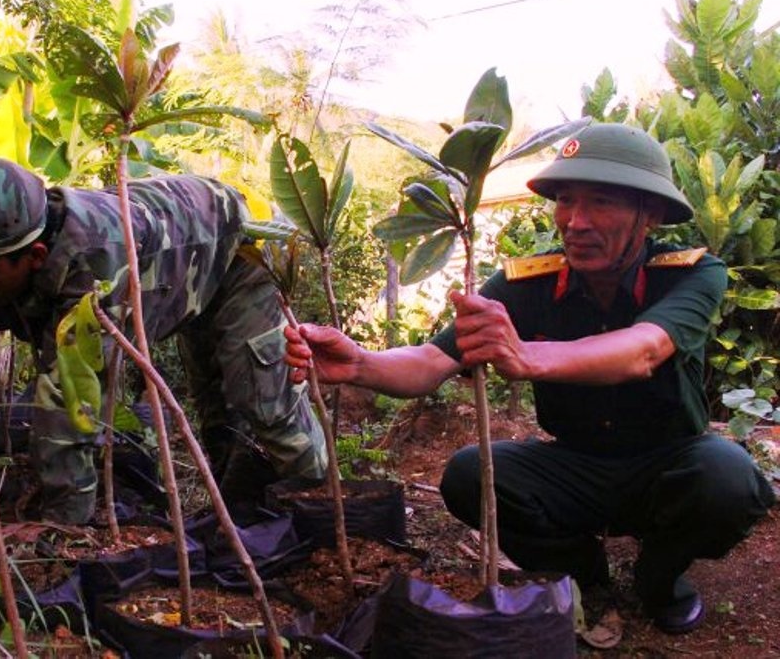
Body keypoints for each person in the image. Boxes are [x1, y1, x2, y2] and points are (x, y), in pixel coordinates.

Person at [283, 123, 774, 634]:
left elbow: (643, 350)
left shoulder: (693, 273)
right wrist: (359, 363)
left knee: (727, 475)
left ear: (648, 215)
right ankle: (582, 573)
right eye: (565, 200)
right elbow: (433, 361)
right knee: (470, 473)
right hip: (574, 466)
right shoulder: (526, 284)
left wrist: (526, 354)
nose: (575, 222)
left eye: (600, 202)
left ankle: (659, 576)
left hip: (667, 462)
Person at [0, 157, 328, 523]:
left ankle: (329, 517)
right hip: (174, 266)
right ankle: (241, 516)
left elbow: (73, 408)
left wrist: (64, 531)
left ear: (34, 259)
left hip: (234, 258)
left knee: (263, 405)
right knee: (220, 422)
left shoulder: (95, 272)